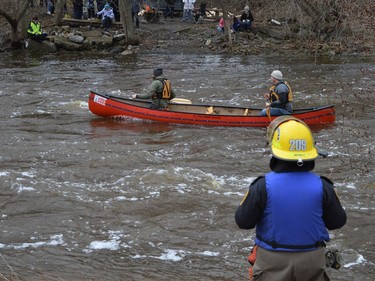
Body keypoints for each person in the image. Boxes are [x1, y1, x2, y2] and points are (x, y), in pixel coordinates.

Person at [235, 116, 347, 281]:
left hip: (271, 262)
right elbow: (337, 222)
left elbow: (243, 221)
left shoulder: (261, 186)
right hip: (311, 262)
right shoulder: (323, 186)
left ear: (275, 153)